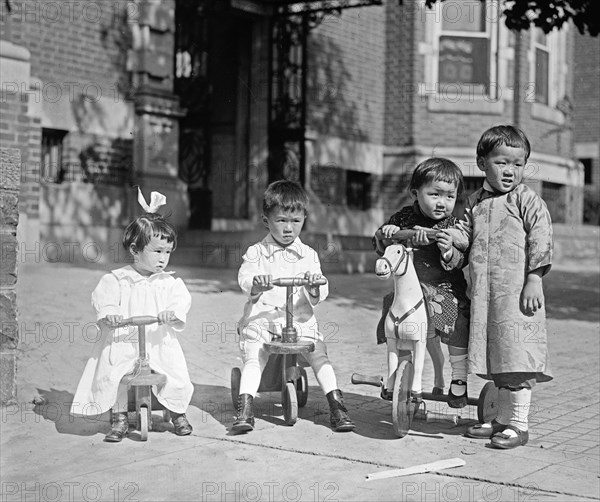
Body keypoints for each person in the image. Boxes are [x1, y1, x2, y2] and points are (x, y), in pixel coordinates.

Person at [441, 125, 553, 449]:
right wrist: (451, 245)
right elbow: (463, 236)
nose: (510, 171)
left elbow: (541, 239)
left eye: (518, 164)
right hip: (486, 298)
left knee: (516, 358)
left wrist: (534, 279)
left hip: (518, 298)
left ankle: (519, 424)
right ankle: (501, 420)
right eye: (502, 162)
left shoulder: (526, 200)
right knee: (499, 362)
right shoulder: (475, 202)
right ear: (481, 163)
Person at [70, 189, 194, 442]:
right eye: (157, 251)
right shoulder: (117, 279)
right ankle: (119, 417)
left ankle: (177, 411)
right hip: (124, 340)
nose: (163, 259)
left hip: (158, 340)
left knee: (175, 373)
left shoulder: (168, 282)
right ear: (136, 250)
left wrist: (173, 312)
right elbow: (103, 299)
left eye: (167, 252)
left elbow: (181, 300)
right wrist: (110, 313)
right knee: (115, 373)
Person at [232, 180, 355, 434]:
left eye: (295, 221)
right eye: (281, 221)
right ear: (266, 220)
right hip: (263, 319)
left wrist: (314, 285)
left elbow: (321, 288)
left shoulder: (308, 254)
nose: (289, 228)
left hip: (299, 320)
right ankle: (245, 409)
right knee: (254, 354)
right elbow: (244, 279)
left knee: (319, 353)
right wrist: (257, 283)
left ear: (304, 219)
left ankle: (336, 405)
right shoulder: (256, 252)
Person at [373, 158, 470, 408]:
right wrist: (387, 234)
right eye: (434, 194)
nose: (442, 202)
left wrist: (448, 250)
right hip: (412, 289)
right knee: (392, 311)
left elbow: (461, 257)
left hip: (443, 287)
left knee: (458, 318)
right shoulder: (403, 217)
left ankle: (458, 377)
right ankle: (401, 374)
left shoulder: (452, 225)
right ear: (416, 193)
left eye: (450, 196)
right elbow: (382, 246)